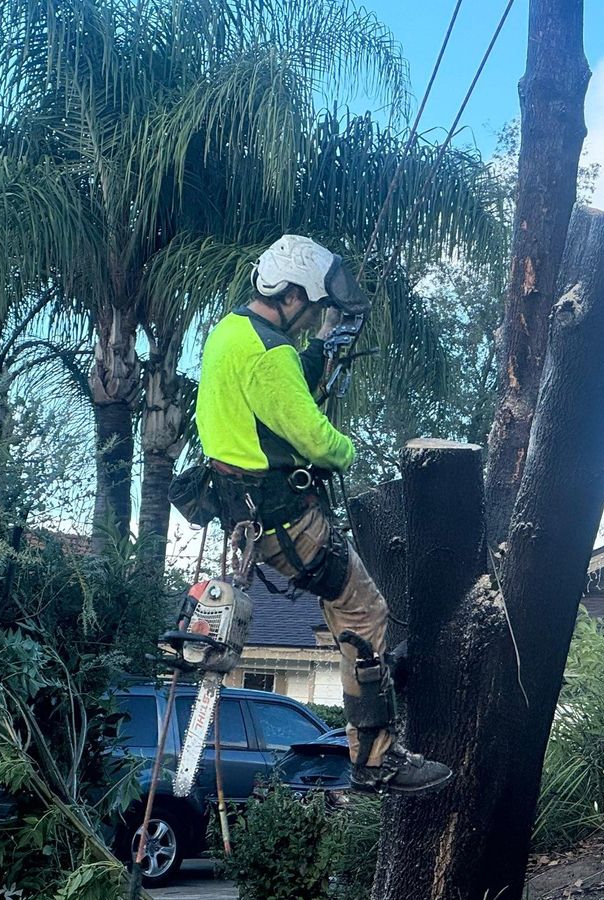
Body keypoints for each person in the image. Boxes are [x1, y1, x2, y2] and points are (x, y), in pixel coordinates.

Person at [193, 234, 452, 795]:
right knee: (365, 610)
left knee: (345, 610)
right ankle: (376, 759)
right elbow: (317, 440)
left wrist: (323, 349)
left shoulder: (230, 332)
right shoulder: (271, 355)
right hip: (289, 521)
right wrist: (349, 449)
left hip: (246, 514)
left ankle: (374, 675)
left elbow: (273, 396)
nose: (314, 316)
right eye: (312, 306)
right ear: (291, 295)